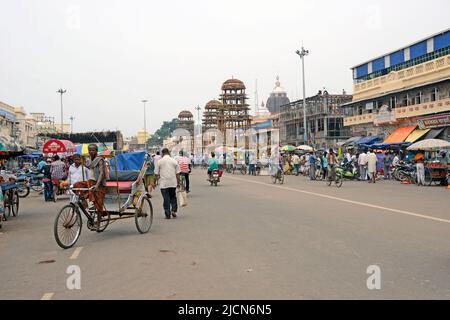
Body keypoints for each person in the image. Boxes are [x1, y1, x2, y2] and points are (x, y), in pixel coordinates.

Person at [155, 148, 181, 219]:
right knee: (173, 196)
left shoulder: (159, 162)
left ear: (162, 154)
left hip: (164, 183)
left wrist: (155, 182)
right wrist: (179, 182)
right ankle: (173, 210)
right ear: (169, 153)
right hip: (173, 183)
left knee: (166, 198)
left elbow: (156, 174)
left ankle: (167, 213)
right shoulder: (174, 161)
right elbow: (177, 173)